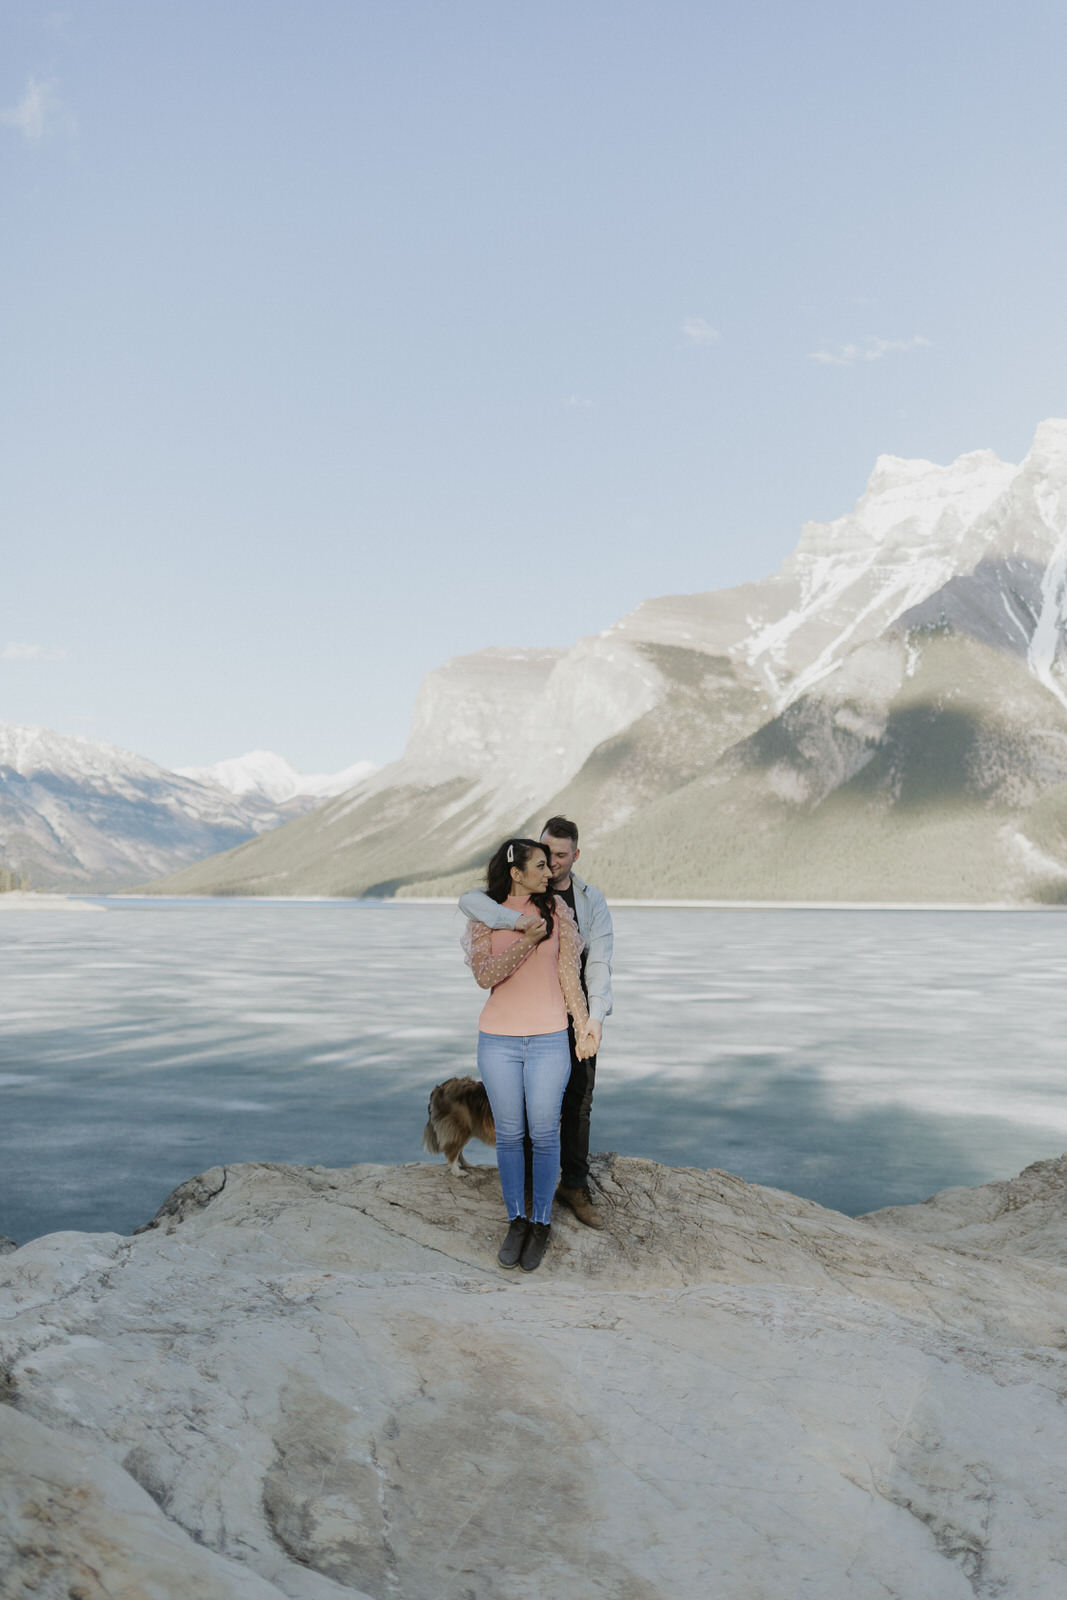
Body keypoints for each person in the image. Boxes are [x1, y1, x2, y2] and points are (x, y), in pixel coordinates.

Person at [460, 815, 613, 1229]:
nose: (552, 866)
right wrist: (522, 933)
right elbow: (484, 967)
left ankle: (566, 1192)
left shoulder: (577, 903)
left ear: (574, 856)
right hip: (506, 1032)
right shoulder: (491, 909)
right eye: (544, 859)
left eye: (559, 858)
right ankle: (523, 1205)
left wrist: (588, 1022)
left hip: (560, 1020)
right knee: (515, 1126)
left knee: (572, 1107)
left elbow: (587, 965)